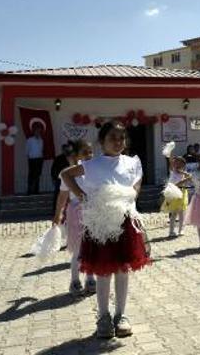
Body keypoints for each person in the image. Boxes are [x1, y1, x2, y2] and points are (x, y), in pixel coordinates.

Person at [59, 121, 150, 339]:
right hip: (100, 225)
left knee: (122, 270)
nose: (118, 142)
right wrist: (83, 197)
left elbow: (136, 183)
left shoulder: (132, 162)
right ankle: (103, 316)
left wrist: (131, 196)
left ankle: (121, 315)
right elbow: (66, 175)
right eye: (112, 138)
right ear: (102, 141)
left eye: (121, 138)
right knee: (103, 271)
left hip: (125, 223)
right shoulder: (92, 165)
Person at [53, 140, 96, 296]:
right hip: (77, 214)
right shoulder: (69, 173)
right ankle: (75, 280)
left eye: (91, 152)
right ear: (77, 155)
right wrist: (57, 215)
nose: (89, 155)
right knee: (78, 249)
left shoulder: (95, 171)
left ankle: (90, 278)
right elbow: (62, 196)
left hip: (93, 213)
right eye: (85, 152)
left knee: (92, 247)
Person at [161, 156, 192, 238]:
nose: (178, 164)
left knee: (182, 213)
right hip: (174, 193)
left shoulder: (184, 173)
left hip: (183, 193)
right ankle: (171, 231)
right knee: (174, 213)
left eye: (181, 163)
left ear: (183, 165)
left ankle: (181, 230)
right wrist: (186, 179)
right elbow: (176, 184)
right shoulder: (172, 171)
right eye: (176, 162)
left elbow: (189, 180)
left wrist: (186, 176)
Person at [50, 144, 73, 214]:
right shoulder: (58, 158)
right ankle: (55, 210)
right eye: (65, 149)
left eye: (67, 149)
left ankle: (68, 210)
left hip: (70, 179)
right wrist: (54, 177)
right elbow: (53, 169)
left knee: (70, 195)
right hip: (59, 180)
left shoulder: (71, 157)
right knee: (57, 194)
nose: (66, 151)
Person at [26, 125, 45, 195]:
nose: (38, 132)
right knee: (31, 175)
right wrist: (29, 158)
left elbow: (41, 149)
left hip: (39, 158)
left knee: (38, 175)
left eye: (39, 131)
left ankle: (36, 190)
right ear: (34, 132)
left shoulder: (41, 140)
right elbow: (27, 150)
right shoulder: (30, 140)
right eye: (37, 131)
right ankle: (29, 190)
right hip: (32, 159)